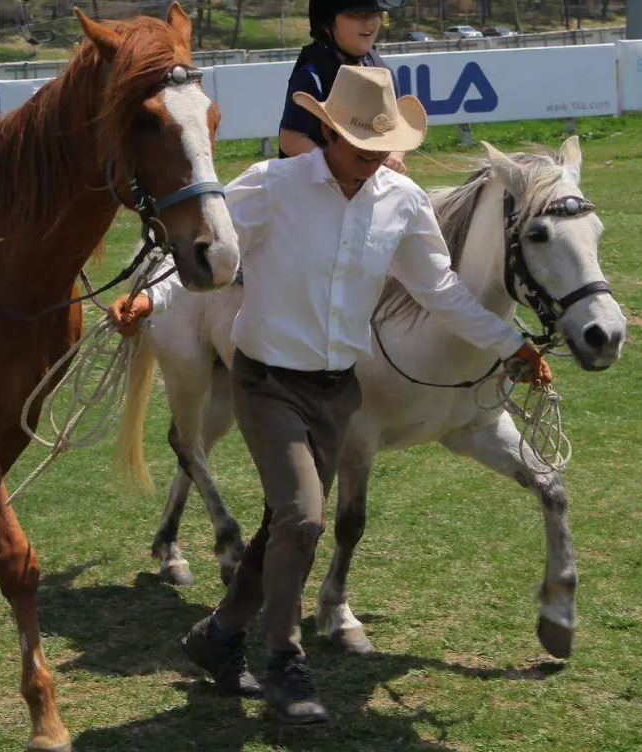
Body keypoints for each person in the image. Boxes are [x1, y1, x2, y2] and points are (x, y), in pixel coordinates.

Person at [109, 65, 552, 726]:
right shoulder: (271, 185)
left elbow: (441, 291)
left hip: (337, 391)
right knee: (303, 519)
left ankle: (218, 636)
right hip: (266, 381)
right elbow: (211, 251)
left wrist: (508, 344)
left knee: (282, 524)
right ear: (325, 132)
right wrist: (152, 295)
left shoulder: (399, 201)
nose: (370, 160)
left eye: (379, 148)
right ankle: (285, 659)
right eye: (356, 145)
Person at [278, 0, 406, 175]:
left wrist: (394, 158)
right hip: (315, 186)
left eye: (374, 15)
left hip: (372, 179)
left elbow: (397, 131)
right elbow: (290, 138)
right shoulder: (313, 76)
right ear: (327, 25)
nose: (369, 23)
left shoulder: (383, 73)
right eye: (356, 16)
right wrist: (335, 170)